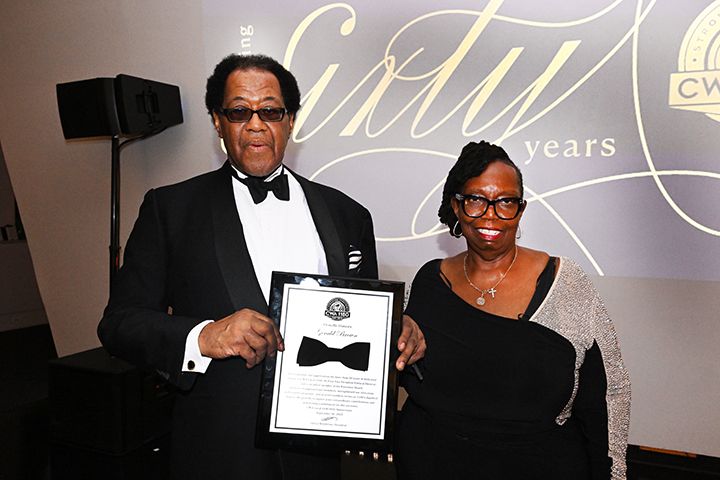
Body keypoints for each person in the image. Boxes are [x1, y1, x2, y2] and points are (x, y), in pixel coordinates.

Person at [98, 53, 425, 480]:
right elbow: (119, 324)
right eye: (239, 112)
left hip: (319, 454)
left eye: (270, 111)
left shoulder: (348, 215)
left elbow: (356, 321)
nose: (255, 124)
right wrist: (204, 336)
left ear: (290, 121)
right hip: (219, 451)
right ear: (218, 122)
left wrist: (394, 329)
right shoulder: (171, 209)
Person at [395, 141, 631, 479]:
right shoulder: (429, 281)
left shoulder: (565, 283)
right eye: (476, 199)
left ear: (520, 210)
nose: (491, 214)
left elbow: (609, 395)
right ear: (457, 206)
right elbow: (401, 365)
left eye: (506, 201)